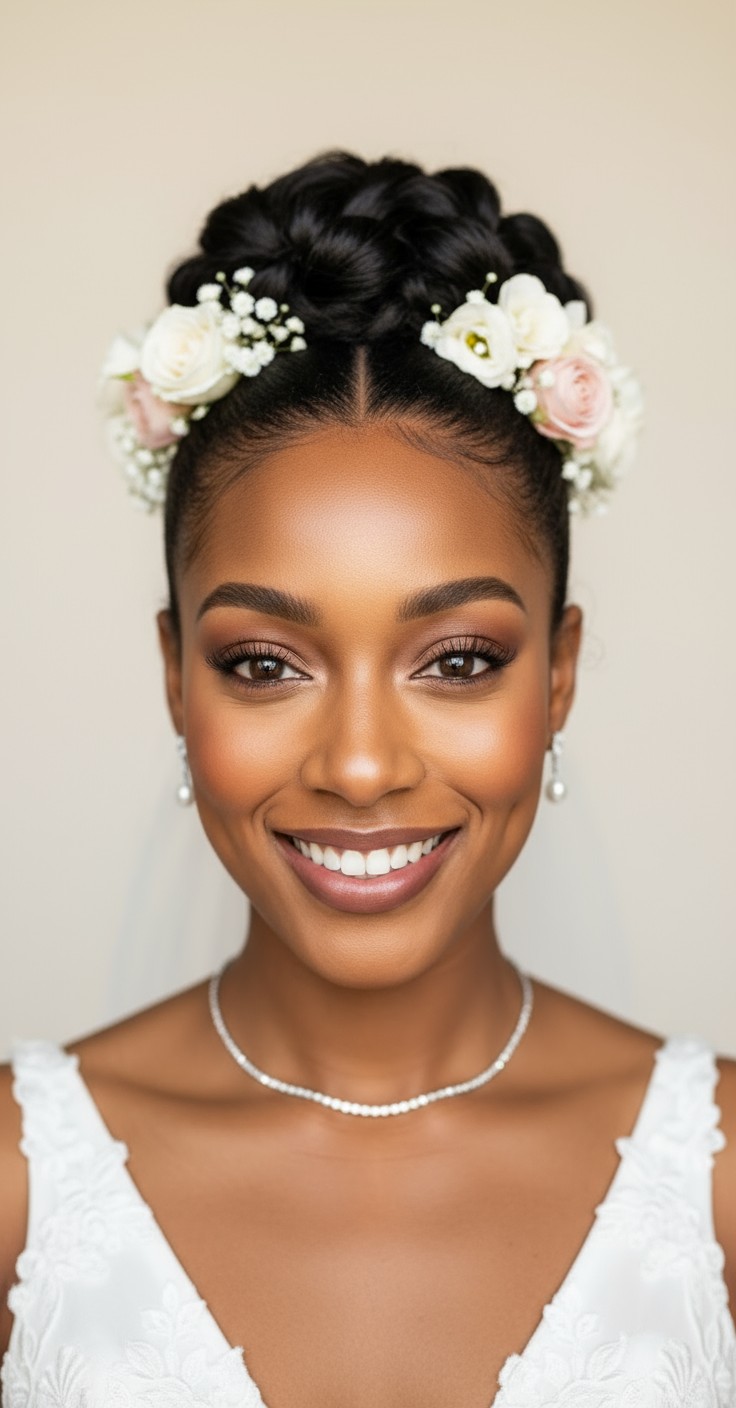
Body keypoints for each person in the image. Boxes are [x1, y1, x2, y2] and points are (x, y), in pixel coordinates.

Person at [0, 151, 733, 1407]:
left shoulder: (717, 1184)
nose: (355, 765)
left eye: (455, 659)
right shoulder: (20, 1182)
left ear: (556, 675)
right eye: (264, 662)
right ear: (176, 675)